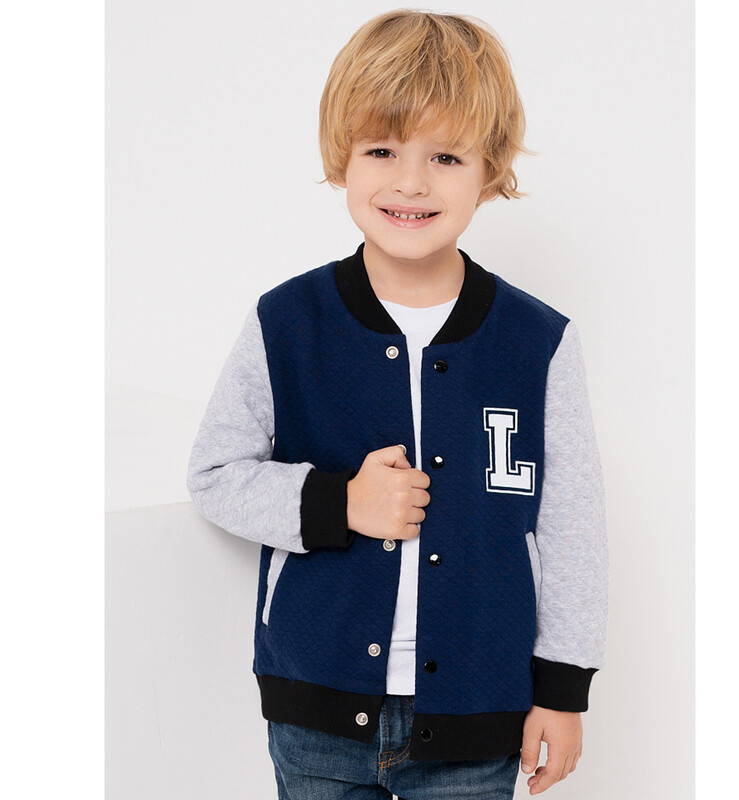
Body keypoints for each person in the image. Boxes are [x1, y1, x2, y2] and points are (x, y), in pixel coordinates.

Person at [187, 9, 608, 799]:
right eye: (381, 150)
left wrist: (563, 689)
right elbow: (214, 473)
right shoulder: (287, 322)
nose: (411, 183)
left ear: (489, 170)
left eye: (445, 156)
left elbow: (571, 525)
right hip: (316, 711)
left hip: (479, 716)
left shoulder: (539, 342)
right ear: (342, 160)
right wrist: (339, 503)